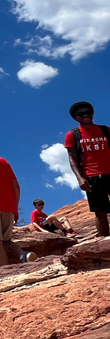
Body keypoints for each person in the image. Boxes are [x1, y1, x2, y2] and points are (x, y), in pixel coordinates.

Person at [65, 101, 110, 238]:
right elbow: (72, 158)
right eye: (81, 114)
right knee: (100, 211)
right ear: (75, 118)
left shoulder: (106, 130)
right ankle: (105, 245)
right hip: (92, 176)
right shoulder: (72, 135)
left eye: (88, 112)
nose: (85, 115)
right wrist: (80, 178)